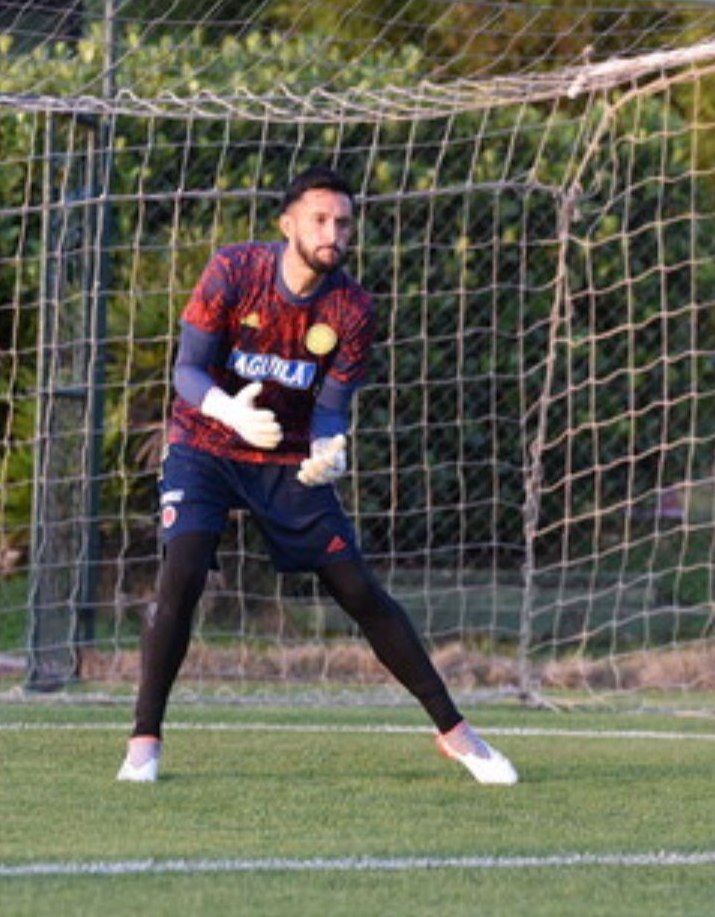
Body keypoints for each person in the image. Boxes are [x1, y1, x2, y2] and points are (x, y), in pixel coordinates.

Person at [116, 166, 517, 786]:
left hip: (284, 460)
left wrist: (331, 448)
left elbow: (331, 405)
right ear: (288, 224)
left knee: (358, 589)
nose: (334, 233)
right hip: (205, 445)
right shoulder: (234, 270)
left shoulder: (352, 307)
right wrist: (229, 412)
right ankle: (144, 742)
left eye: (344, 223)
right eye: (321, 220)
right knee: (183, 572)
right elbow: (188, 371)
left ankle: (457, 733)